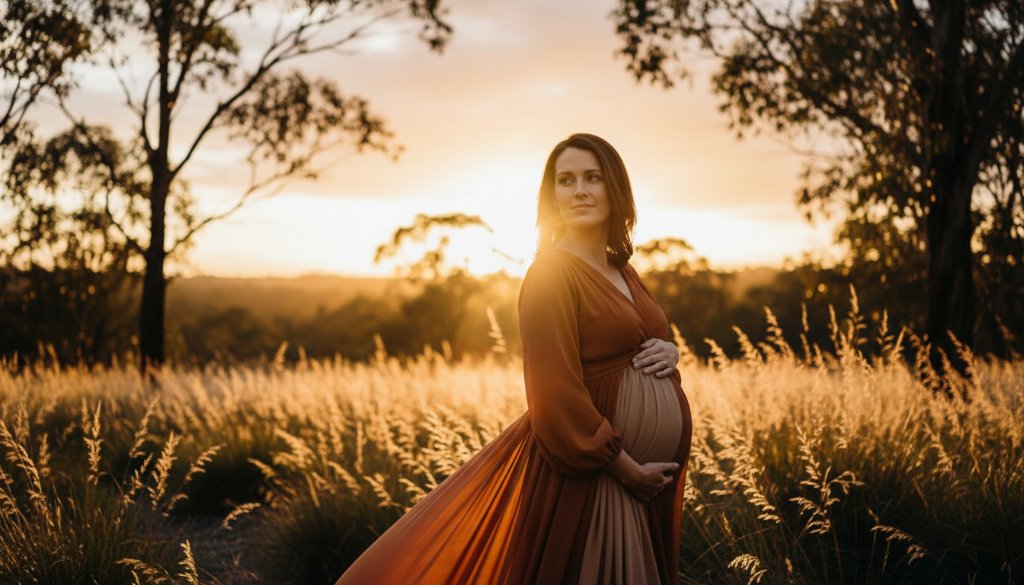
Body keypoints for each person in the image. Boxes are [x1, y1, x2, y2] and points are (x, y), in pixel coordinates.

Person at [334, 133, 693, 584]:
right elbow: (554, 389)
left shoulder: (622, 269)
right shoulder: (550, 274)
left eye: (592, 178)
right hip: (600, 477)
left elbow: (637, 342)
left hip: (642, 484)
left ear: (615, 188)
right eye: (565, 180)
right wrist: (625, 468)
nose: (579, 190)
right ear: (552, 196)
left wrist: (671, 349)